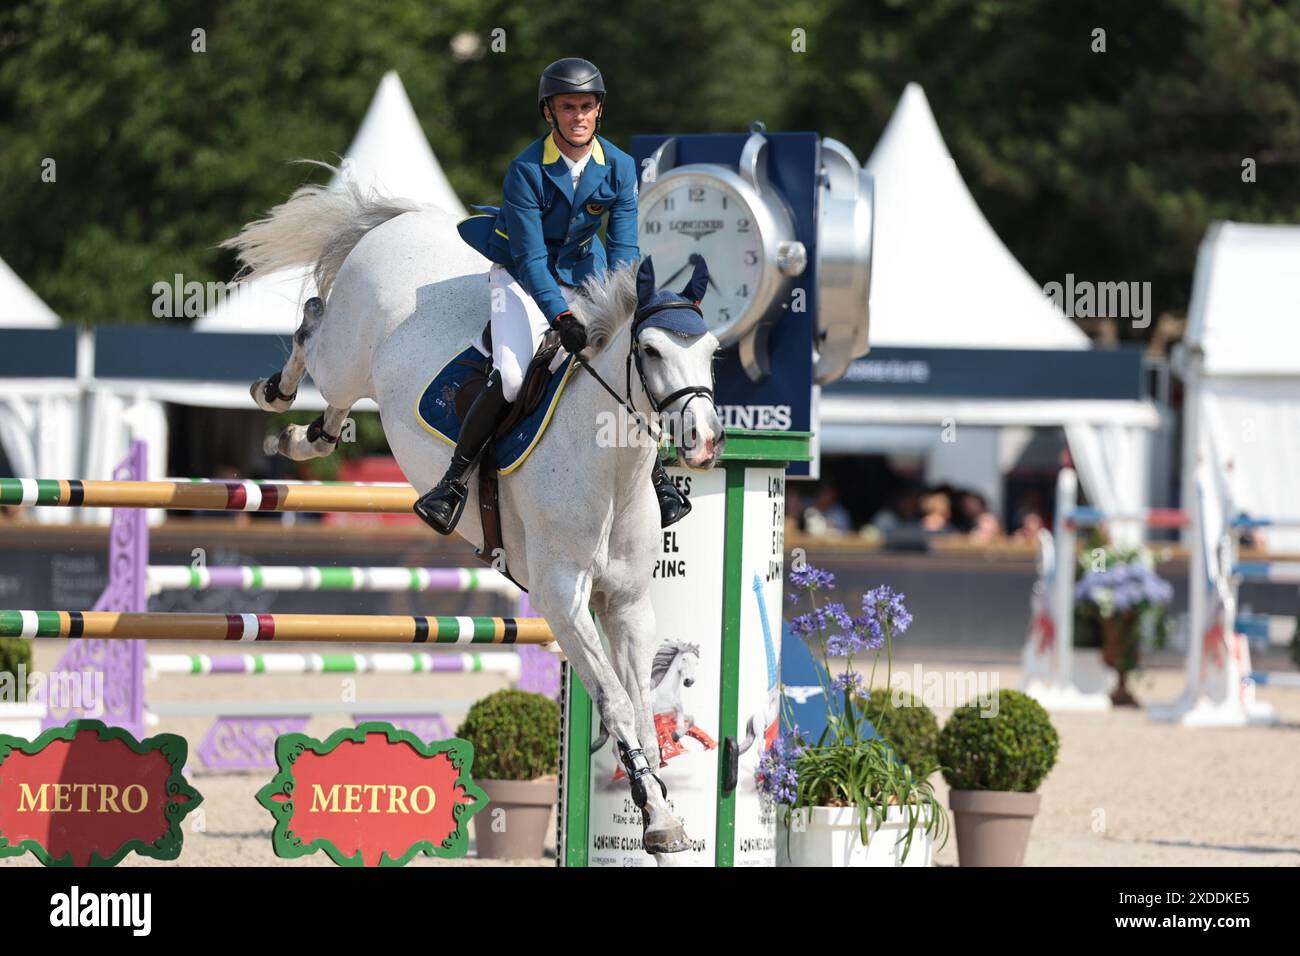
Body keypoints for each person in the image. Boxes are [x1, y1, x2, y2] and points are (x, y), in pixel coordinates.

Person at [413, 57, 690, 535]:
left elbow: (624, 248)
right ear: (549, 113)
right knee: (517, 376)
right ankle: (452, 483)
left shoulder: (621, 167)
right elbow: (533, 258)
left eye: (586, 106)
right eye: (567, 107)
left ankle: (659, 477)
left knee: (623, 363)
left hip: (588, 273)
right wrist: (561, 317)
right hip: (521, 276)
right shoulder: (526, 170)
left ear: (598, 109)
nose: (578, 116)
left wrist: (622, 305)